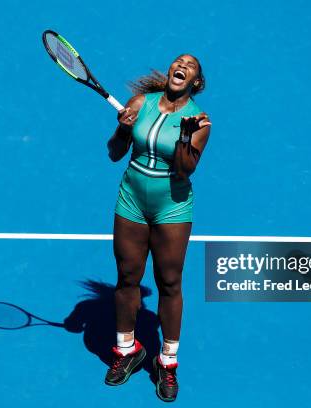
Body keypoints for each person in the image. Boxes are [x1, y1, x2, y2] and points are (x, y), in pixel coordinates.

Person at [104, 54, 211, 402]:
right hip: (131, 200)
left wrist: (184, 137)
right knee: (127, 276)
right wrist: (123, 127)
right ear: (170, 72)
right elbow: (114, 153)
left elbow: (184, 171)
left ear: (195, 81)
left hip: (172, 208)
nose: (182, 66)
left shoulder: (199, 122)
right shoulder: (141, 103)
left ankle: (167, 361)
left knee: (169, 282)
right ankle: (126, 351)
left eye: (190, 66)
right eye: (178, 62)